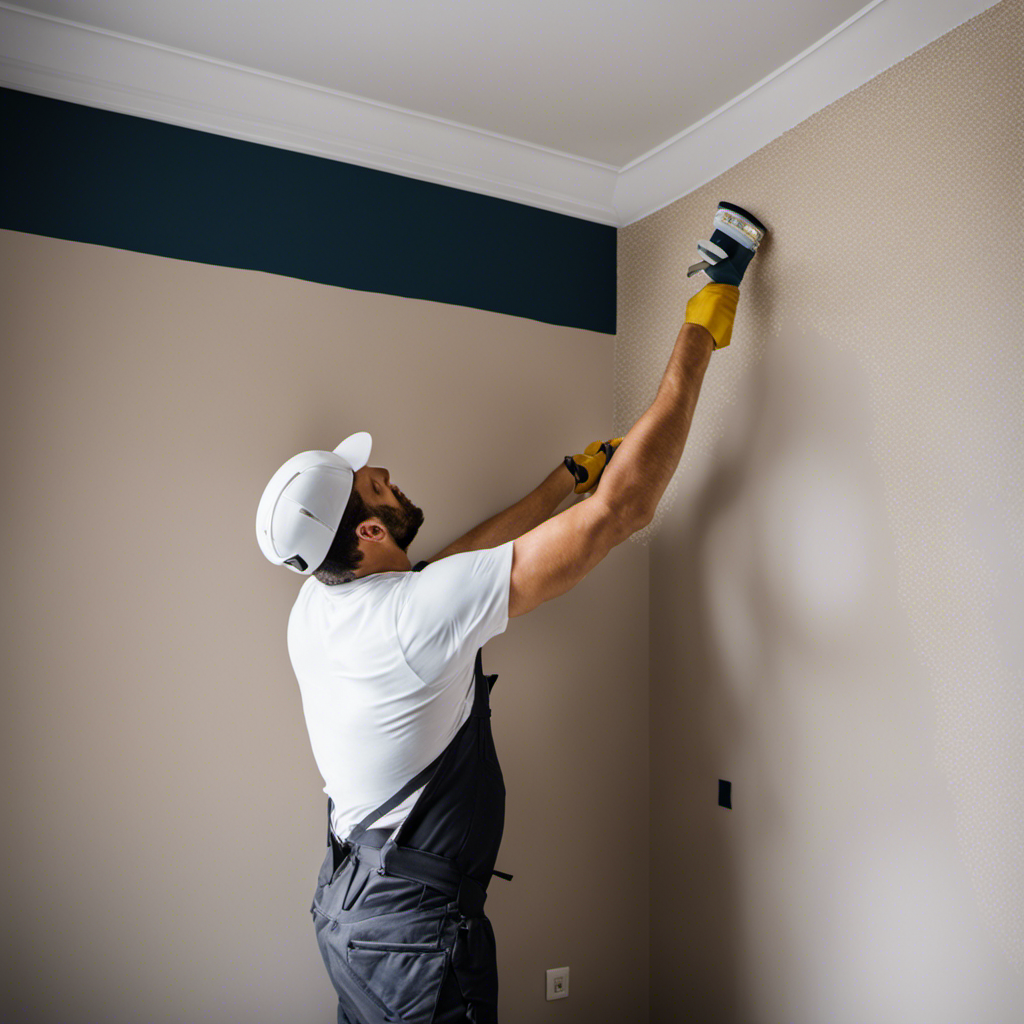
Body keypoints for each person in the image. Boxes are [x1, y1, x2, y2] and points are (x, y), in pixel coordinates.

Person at [255, 202, 767, 1023]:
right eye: (374, 484)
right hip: (416, 947)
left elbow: (447, 573)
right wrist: (707, 313)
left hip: (354, 914)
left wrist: (563, 479)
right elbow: (623, 513)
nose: (384, 468)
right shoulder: (413, 615)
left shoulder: (320, 609)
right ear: (374, 529)